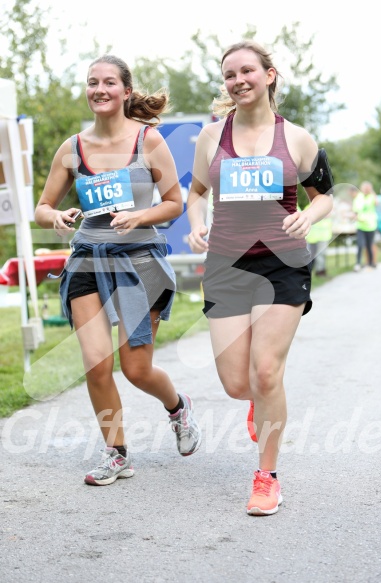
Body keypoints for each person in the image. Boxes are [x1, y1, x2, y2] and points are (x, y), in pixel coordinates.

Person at [35, 54, 201, 486]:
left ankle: (178, 406)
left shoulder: (147, 142)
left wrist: (139, 217)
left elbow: (174, 202)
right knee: (95, 364)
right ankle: (117, 453)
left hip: (139, 263)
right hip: (88, 259)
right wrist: (54, 217)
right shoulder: (72, 149)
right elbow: (42, 206)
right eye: (92, 82)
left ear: (126, 91)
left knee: (136, 369)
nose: (100, 90)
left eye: (109, 82)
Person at [187, 40, 333, 515]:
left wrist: (309, 218)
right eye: (229, 74)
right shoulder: (211, 137)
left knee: (266, 372)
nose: (238, 80)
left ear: (269, 75)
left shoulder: (297, 139)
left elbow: (325, 196)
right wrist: (195, 224)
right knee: (236, 382)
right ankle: (260, 400)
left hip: (282, 263)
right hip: (227, 265)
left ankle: (266, 476)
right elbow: (195, 194)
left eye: (247, 71)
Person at [352, 180, 379, 271]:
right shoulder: (359, 197)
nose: (366, 190)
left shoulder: (372, 197)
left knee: (369, 245)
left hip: (371, 225)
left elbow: (376, 203)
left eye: (368, 189)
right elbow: (355, 210)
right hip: (360, 225)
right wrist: (356, 217)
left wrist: (372, 192)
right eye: (365, 188)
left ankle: (371, 263)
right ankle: (358, 264)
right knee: (360, 245)